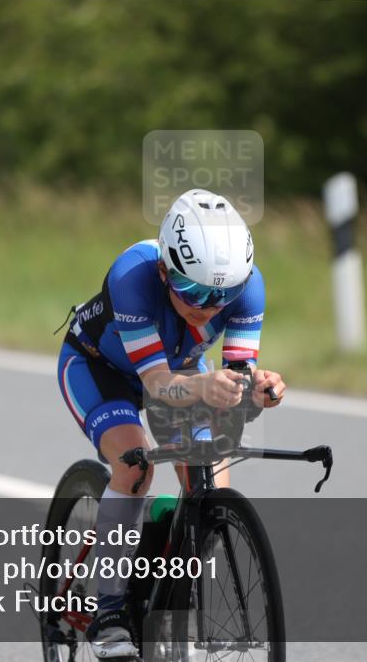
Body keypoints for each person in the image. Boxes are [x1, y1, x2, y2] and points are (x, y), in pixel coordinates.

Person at [55, 188, 286, 658]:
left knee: (211, 472)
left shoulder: (247, 288)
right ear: (165, 271)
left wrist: (257, 388)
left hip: (179, 374)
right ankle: (110, 607)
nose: (208, 305)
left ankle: (177, 563)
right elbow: (157, 384)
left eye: (224, 295)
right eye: (193, 291)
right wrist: (205, 387)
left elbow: (236, 377)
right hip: (101, 368)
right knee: (135, 465)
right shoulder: (133, 276)